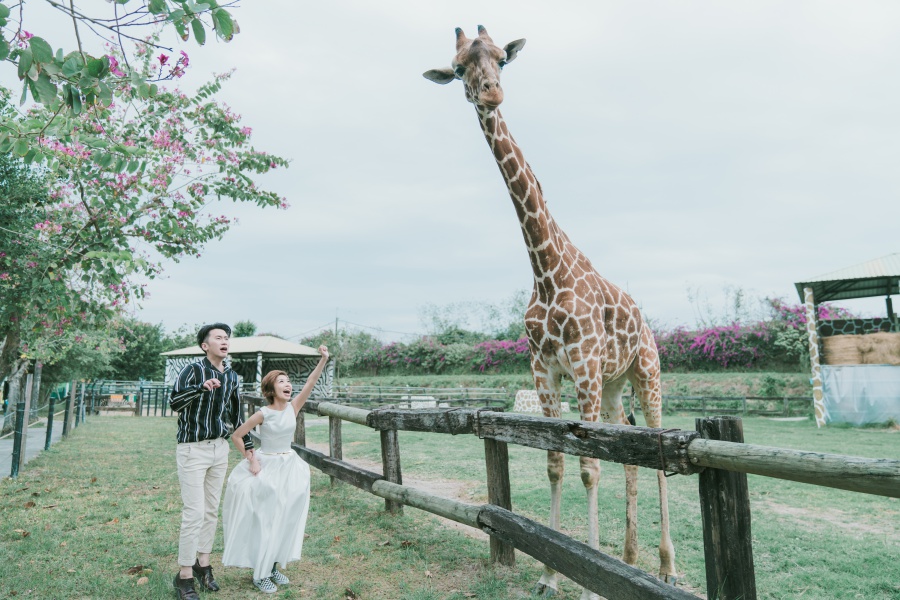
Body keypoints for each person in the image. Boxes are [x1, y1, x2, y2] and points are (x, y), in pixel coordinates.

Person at [222, 345, 330, 593]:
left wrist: (323, 359)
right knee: (266, 519)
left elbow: (311, 382)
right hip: (267, 466)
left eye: (289, 381)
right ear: (271, 389)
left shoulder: (294, 407)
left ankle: (272, 567)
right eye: (282, 381)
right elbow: (238, 435)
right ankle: (260, 574)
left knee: (284, 517)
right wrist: (251, 459)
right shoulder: (263, 414)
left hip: (289, 467)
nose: (288, 384)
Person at [169, 323, 254, 600]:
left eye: (226, 338)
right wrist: (201, 388)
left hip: (219, 448)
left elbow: (236, 413)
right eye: (218, 337)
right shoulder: (192, 370)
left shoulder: (231, 375)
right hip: (192, 449)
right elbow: (174, 403)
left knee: (210, 512)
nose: (224, 341)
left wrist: (248, 447)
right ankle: (184, 577)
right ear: (205, 345)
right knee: (193, 512)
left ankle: (203, 565)